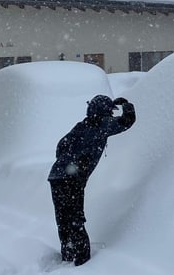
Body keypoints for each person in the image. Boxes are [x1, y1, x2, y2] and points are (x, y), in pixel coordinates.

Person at [47, 94, 136, 265]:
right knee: (75, 218)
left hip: (56, 176)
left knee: (63, 218)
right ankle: (82, 260)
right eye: (110, 111)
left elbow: (61, 146)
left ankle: (68, 253)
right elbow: (128, 120)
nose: (111, 114)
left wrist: (68, 160)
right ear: (105, 112)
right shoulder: (103, 124)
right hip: (72, 179)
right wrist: (126, 104)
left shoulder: (81, 126)